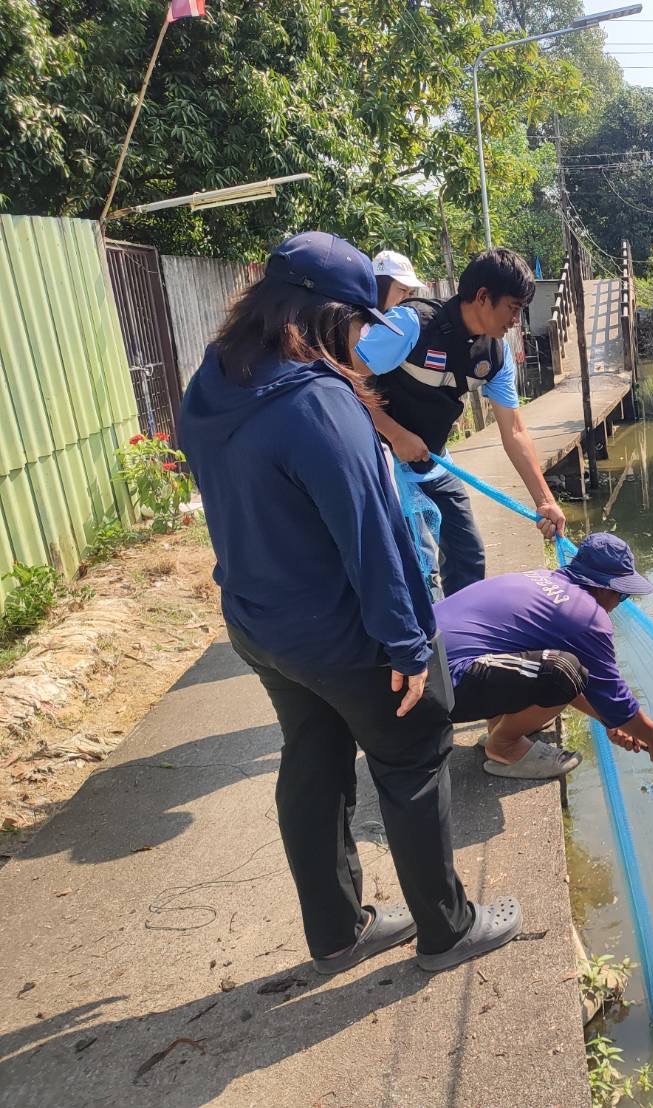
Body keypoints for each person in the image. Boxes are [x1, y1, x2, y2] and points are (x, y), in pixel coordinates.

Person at [178, 231, 521, 976]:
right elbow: (372, 535)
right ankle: (448, 930)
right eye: (360, 323)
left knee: (313, 759)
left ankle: (337, 932)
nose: (363, 340)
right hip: (340, 632)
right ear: (328, 315)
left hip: (260, 624)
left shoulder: (212, 382)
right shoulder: (318, 402)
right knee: (413, 758)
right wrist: (407, 645)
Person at [369, 248, 566, 596]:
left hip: (433, 461)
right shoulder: (410, 325)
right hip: (378, 462)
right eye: (513, 308)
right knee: (416, 565)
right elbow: (342, 383)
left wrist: (544, 500)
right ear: (483, 297)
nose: (516, 320)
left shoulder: (495, 355)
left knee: (467, 553)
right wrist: (395, 435)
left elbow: (514, 431)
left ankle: (461, 625)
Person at [435, 533, 653, 779]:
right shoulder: (586, 616)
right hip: (438, 690)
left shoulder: (541, 579)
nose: (620, 602)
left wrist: (612, 721)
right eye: (623, 594)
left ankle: (500, 726)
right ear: (604, 589)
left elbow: (589, 685)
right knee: (562, 671)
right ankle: (504, 746)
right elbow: (610, 694)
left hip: (422, 670)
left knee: (555, 668)